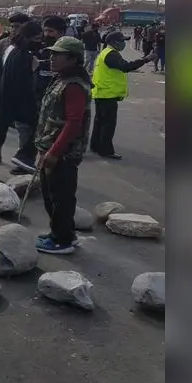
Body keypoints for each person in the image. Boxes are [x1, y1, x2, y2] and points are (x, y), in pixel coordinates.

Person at [34, 37, 93, 255]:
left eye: (57, 55)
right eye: (51, 54)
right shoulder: (61, 78)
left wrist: (53, 152)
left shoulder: (74, 85)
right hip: (51, 147)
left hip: (63, 153)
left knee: (60, 197)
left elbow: (73, 122)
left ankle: (62, 240)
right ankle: (61, 232)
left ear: (73, 59)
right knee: (52, 195)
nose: (51, 58)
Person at [0, 21, 43, 185]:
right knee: (36, 124)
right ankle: (23, 156)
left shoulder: (11, 48)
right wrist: (32, 70)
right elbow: (19, 82)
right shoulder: (22, 53)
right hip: (10, 101)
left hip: (2, 100)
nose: (40, 41)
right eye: (38, 37)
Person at [89, 31, 156, 160]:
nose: (124, 43)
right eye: (122, 41)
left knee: (100, 123)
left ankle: (96, 145)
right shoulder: (111, 54)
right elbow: (125, 66)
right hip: (107, 94)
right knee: (108, 124)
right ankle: (106, 150)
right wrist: (146, 59)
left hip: (102, 93)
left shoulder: (105, 53)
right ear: (114, 42)